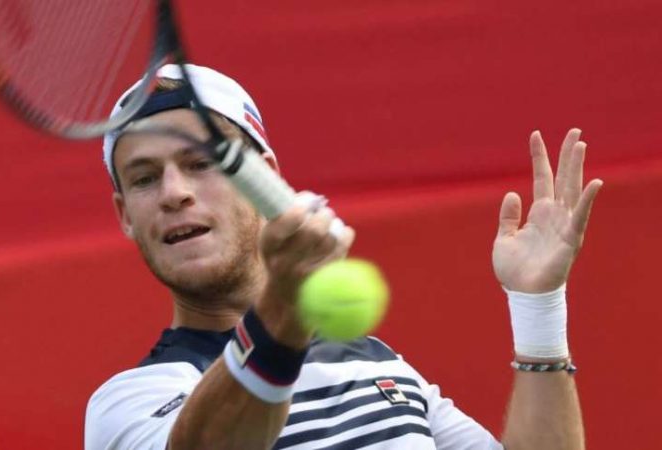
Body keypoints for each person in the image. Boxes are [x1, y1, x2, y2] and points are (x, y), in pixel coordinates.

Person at [84, 64, 602, 450]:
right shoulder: (127, 403)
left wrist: (538, 307)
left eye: (201, 163)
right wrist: (286, 303)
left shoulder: (383, 365)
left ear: (265, 176)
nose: (174, 193)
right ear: (125, 214)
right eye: (145, 179)